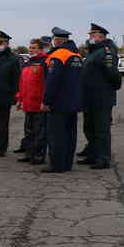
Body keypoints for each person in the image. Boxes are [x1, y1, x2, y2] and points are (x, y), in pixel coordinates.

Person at [79, 23, 122, 170]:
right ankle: (92, 154)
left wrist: (108, 89)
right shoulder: (94, 51)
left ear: (100, 36)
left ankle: (103, 159)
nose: (89, 37)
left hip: (101, 98)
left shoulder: (106, 51)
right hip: (90, 97)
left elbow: (113, 74)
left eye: (92, 35)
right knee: (89, 128)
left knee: (101, 130)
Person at [41, 27, 84, 173]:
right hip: (73, 102)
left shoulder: (59, 55)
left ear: (57, 40)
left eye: (54, 40)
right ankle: (67, 163)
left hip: (58, 103)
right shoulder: (76, 55)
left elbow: (52, 81)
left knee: (56, 135)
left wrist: (46, 101)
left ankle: (56, 164)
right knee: (70, 135)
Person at [15, 39, 47, 165]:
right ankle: (29, 154)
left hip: (39, 103)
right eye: (30, 47)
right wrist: (19, 99)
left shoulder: (45, 62)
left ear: (40, 49)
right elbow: (22, 83)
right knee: (29, 131)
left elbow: (46, 84)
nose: (31, 50)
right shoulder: (28, 63)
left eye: (34, 48)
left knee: (39, 132)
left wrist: (45, 101)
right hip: (28, 103)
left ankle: (39, 155)